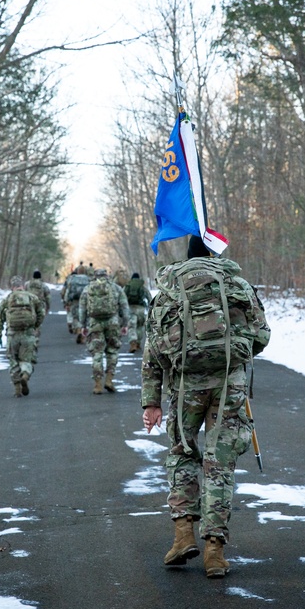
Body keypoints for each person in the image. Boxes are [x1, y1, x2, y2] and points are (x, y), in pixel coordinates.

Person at [141, 235, 270, 578]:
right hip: (229, 383)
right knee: (220, 463)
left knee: (183, 453)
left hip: (185, 386)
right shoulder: (236, 284)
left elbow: (152, 349)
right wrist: (233, 355)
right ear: (213, 254)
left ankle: (183, 535)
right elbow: (262, 335)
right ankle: (215, 551)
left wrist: (151, 401)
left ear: (186, 257)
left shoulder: (168, 289)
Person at [78, 268, 130, 394]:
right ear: (107, 276)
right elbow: (124, 306)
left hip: (94, 323)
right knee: (112, 351)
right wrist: (125, 323)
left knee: (97, 353)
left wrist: (83, 325)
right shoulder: (116, 288)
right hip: (112, 322)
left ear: (95, 276)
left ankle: (97, 384)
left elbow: (82, 308)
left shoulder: (88, 288)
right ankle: (109, 380)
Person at [0, 276, 44, 398]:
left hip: (12, 334)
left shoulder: (7, 299)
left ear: (12, 287)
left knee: (13, 360)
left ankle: (17, 388)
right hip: (28, 334)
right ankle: (25, 375)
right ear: (23, 286)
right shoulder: (32, 297)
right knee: (27, 360)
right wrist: (35, 326)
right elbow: (41, 313)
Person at [123, 272, 153, 353]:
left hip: (131, 309)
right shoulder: (142, 286)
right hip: (141, 309)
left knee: (132, 326)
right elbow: (149, 297)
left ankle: (133, 342)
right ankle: (138, 343)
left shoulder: (127, 286)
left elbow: (122, 297)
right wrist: (151, 307)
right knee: (140, 326)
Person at [61, 265, 90, 341]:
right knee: (85, 315)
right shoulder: (89, 279)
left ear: (77, 271)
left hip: (75, 300)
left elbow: (67, 291)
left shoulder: (72, 279)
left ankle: (78, 330)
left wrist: (66, 302)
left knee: (75, 317)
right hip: (86, 300)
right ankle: (83, 330)